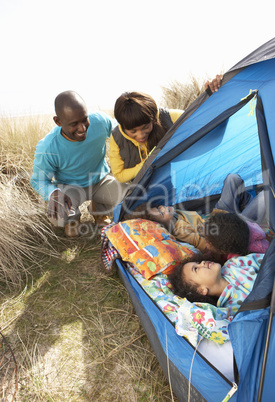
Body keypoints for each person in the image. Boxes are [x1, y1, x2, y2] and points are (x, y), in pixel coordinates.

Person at [30, 91, 127, 237]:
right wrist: (53, 192)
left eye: (84, 119)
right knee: (58, 218)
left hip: (101, 181)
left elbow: (122, 135)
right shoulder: (48, 147)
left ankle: (99, 209)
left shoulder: (99, 121)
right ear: (58, 122)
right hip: (70, 189)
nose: (82, 128)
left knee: (133, 198)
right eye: (74, 124)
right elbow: (38, 180)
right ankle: (73, 219)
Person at [122, 174, 269, 259]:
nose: (163, 207)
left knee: (232, 179)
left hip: (218, 215)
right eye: (161, 213)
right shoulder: (180, 232)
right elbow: (206, 245)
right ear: (162, 226)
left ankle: (245, 206)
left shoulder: (174, 214)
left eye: (158, 207)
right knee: (265, 197)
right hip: (229, 229)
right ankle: (254, 217)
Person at [109, 75, 223, 183]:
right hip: (143, 189)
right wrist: (147, 163)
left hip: (178, 178)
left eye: (146, 127)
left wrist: (214, 94)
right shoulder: (117, 137)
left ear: (153, 119)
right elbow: (119, 175)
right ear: (123, 126)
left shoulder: (169, 118)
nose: (140, 135)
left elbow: (200, 120)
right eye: (133, 131)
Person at [168, 252, 264, 315]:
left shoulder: (233, 264)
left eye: (198, 262)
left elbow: (267, 259)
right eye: (196, 268)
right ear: (201, 290)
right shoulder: (229, 309)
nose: (202, 263)